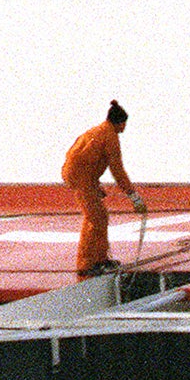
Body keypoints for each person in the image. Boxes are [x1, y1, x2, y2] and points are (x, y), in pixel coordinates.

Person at [61, 101, 145, 278]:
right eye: (124, 124)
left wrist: (94, 185)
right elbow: (118, 171)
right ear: (120, 123)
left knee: (99, 217)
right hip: (81, 178)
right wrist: (134, 196)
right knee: (96, 219)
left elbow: (84, 159)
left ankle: (100, 259)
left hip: (82, 177)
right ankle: (87, 264)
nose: (124, 128)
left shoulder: (97, 131)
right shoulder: (110, 137)